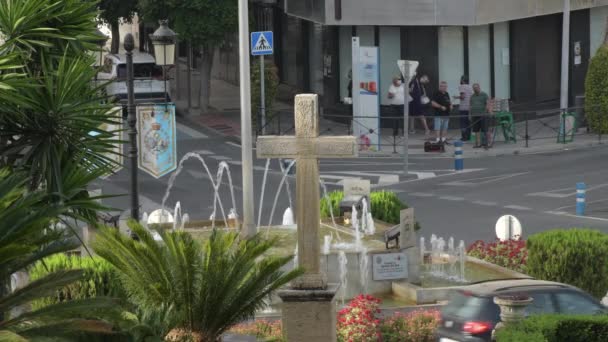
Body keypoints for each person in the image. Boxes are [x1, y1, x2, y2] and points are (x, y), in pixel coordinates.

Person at [470, 83, 492, 148]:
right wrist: (470, 114)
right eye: (474, 88)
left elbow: (488, 103)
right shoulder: (472, 96)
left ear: (479, 88)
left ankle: (488, 143)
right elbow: (470, 105)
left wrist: (488, 110)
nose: (475, 89)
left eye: (476, 88)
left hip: (483, 115)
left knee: (485, 129)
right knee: (476, 130)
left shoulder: (484, 95)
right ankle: (478, 143)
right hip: (474, 115)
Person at [455, 75, 473, 141]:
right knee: (468, 123)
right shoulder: (470, 87)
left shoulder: (461, 86)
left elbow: (462, 96)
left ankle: (464, 137)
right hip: (469, 107)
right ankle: (468, 137)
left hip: (463, 108)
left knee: (463, 123)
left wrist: (456, 97)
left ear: (462, 80)